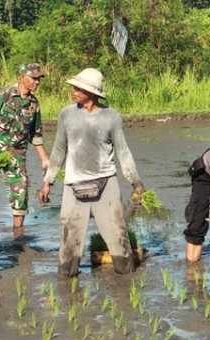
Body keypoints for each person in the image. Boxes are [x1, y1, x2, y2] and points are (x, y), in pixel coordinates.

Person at [39, 68, 145, 277]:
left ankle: (126, 283)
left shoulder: (111, 117)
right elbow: (59, 149)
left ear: (92, 92)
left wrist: (136, 183)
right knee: (69, 243)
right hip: (73, 185)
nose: (74, 91)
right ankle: (68, 286)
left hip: (106, 184)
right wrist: (47, 181)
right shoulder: (66, 114)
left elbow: (122, 152)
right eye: (74, 87)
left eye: (79, 88)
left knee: (118, 239)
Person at [0, 63, 49, 237]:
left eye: (39, 79)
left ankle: (18, 232)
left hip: (16, 153)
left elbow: (36, 134)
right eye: (34, 78)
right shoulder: (3, 95)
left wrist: (44, 158)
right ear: (22, 77)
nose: (37, 82)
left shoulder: (33, 104)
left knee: (21, 188)